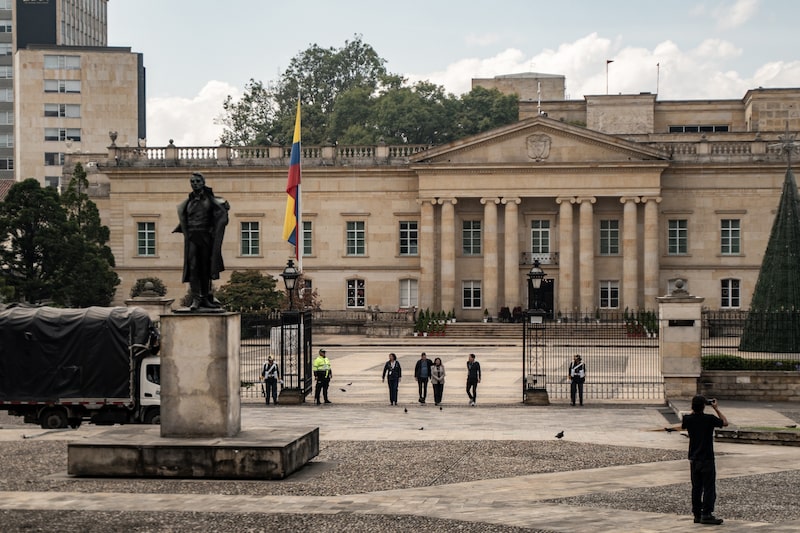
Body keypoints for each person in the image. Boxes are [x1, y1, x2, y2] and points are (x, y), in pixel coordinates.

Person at [173, 172, 230, 311]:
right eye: (192, 181)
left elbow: (221, 215)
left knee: (205, 269)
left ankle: (205, 298)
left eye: (198, 181)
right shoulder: (188, 202)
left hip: (206, 237)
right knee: (193, 268)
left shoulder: (211, 201)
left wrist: (225, 209)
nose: (195, 184)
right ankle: (196, 298)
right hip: (192, 237)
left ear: (203, 183)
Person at [681, 395, 728, 525]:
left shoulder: (688, 419)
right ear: (704, 406)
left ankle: (697, 514)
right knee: (708, 487)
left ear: (692, 406)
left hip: (694, 458)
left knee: (696, 488)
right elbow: (725, 422)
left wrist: (695, 409)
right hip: (706, 457)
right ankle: (706, 513)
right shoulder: (709, 419)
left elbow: (686, 422)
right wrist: (716, 409)